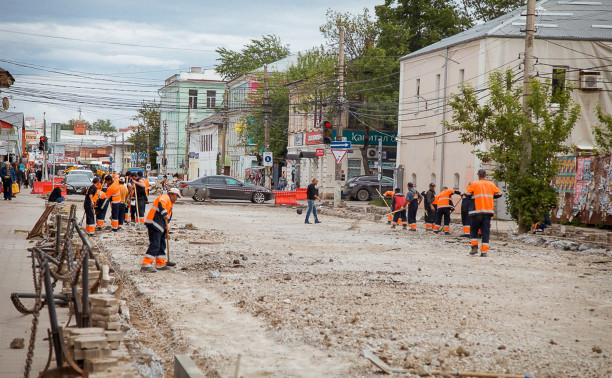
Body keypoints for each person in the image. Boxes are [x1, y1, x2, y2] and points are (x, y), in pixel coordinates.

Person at [141, 188, 182, 272]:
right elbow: (161, 203)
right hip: (154, 224)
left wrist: (167, 231)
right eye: (177, 196)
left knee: (162, 245)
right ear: (173, 194)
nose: (176, 198)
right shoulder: (165, 197)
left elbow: (167, 220)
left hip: (160, 226)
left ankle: (160, 264)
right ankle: (146, 264)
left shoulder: (170, 203)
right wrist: (164, 213)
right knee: (155, 244)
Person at [464, 169, 503, 257]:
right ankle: (484, 251)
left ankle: (474, 247)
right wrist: (492, 196)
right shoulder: (491, 184)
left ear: (478, 175)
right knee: (486, 231)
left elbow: (466, 194)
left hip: (476, 211)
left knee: (474, 230)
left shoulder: (474, 184)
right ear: (485, 175)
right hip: (487, 211)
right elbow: (500, 194)